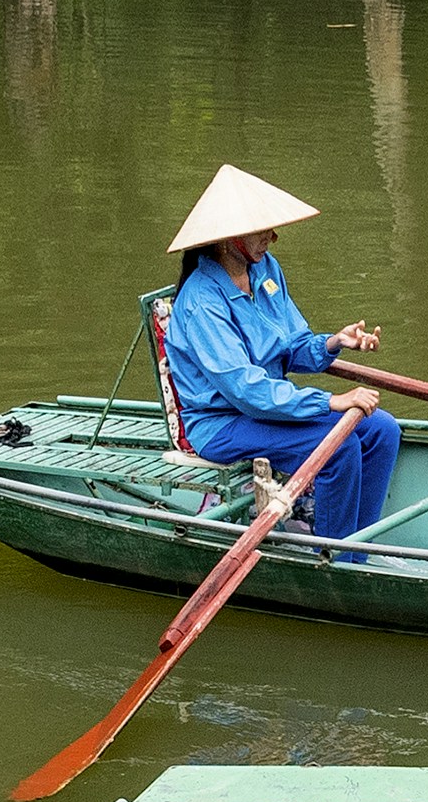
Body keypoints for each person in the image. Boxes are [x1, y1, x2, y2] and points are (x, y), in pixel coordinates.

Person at [158, 165, 396, 541]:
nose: (273, 236)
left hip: (268, 407)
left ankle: (357, 545)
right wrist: (330, 402)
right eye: (261, 229)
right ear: (227, 238)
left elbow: (292, 345)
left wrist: (333, 343)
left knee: (383, 430)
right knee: (340, 446)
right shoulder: (202, 301)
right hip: (222, 423)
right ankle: (332, 556)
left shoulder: (265, 270)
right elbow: (246, 389)